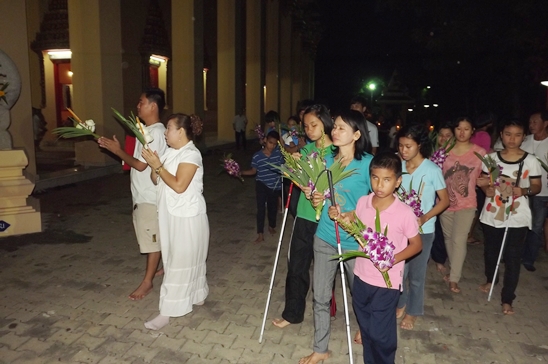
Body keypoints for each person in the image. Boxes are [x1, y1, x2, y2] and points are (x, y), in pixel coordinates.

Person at [328, 152, 422, 364]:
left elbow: (417, 245)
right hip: (361, 276)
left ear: (398, 181)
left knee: (381, 333)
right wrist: (340, 215)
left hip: (387, 282)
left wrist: (392, 259)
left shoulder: (404, 213)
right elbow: (353, 217)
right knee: (367, 325)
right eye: (375, 178)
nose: (379, 185)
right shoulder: (364, 201)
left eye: (387, 179)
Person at [299, 109, 372, 364]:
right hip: (326, 236)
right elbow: (317, 192)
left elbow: (378, 201)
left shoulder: (368, 164)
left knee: (360, 294)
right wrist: (316, 197)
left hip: (356, 240)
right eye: (336, 127)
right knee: (320, 295)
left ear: (356, 134)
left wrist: (352, 213)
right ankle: (321, 348)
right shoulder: (326, 159)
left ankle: (365, 328)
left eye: (342, 128)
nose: (335, 131)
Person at [141, 113, 209, 330]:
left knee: (178, 262)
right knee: (180, 259)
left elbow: (179, 185)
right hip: (171, 215)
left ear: (181, 132)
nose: (165, 132)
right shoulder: (170, 152)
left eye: (169, 128)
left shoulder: (191, 154)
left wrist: (158, 166)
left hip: (187, 218)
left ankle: (167, 311)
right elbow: (156, 179)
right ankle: (197, 294)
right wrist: (155, 164)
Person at [98, 88, 168, 301]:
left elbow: (139, 165)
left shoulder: (155, 133)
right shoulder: (145, 130)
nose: (138, 106)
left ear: (153, 106)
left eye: (141, 102)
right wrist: (120, 150)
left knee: (151, 241)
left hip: (149, 196)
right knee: (156, 235)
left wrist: (117, 151)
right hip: (143, 194)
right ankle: (167, 266)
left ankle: (147, 283)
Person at [271, 104, 334, 329]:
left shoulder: (337, 152)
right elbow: (297, 180)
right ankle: (293, 313)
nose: (309, 129)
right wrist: (296, 173)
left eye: (314, 124)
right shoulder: (306, 151)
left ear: (326, 123)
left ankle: (328, 308)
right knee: (297, 265)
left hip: (327, 218)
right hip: (305, 216)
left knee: (327, 268)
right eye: (306, 126)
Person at [477, 118, 541, 315]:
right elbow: (485, 180)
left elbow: (537, 186)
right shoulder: (492, 158)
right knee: (491, 250)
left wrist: (523, 191)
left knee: (513, 257)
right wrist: (487, 188)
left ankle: (507, 297)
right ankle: (491, 279)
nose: (512, 139)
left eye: (517, 135)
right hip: (493, 211)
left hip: (517, 214)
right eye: (508, 134)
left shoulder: (530, 160)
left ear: (523, 137)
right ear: (501, 135)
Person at [395, 124, 449, 330]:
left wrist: (425, 217)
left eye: (408, 146)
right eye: (400, 146)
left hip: (423, 231)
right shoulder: (397, 165)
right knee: (400, 271)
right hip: (399, 230)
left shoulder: (432, 170)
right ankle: (400, 302)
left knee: (417, 275)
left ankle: (413, 311)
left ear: (419, 145)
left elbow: (444, 201)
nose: (403, 150)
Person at [439, 117, 486, 293]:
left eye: (466, 129)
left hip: (467, 203)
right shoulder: (445, 150)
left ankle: (454, 278)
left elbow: (495, 171)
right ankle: (453, 270)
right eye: (458, 128)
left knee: (459, 240)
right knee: (448, 238)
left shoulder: (480, 152)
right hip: (444, 202)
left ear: (472, 130)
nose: (462, 132)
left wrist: (487, 181)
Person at [241, 130, 283, 243]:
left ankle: (271, 226)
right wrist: (241, 172)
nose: (272, 146)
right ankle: (260, 233)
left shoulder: (278, 155)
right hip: (261, 184)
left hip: (274, 185)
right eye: (270, 143)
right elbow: (253, 171)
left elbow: (283, 168)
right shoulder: (257, 156)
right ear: (265, 141)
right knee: (260, 209)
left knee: (272, 208)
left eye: (275, 144)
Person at [521, 111, 548, 272]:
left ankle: (529, 258)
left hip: (543, 192)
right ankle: (512, 254)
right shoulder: (524, 141)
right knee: (519, 222)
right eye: (530, 122)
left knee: (536, 226)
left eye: (535, 122)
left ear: (545, 124)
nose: (531, 125)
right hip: (523, 189)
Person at [467, 112, 496, 245]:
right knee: (476, 207)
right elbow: (483, 157)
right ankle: (469, 235)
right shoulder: (484, 135)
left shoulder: (472, 135)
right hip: (479, 174)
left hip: (467, 173)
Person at [430, 124, 454, 274]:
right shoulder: (431, 152)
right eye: (441, 135)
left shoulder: (455, 154)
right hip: (430, 195)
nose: (444, 139)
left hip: (448, 197)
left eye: (448, 136)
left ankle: (440, 259)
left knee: (442, 231)